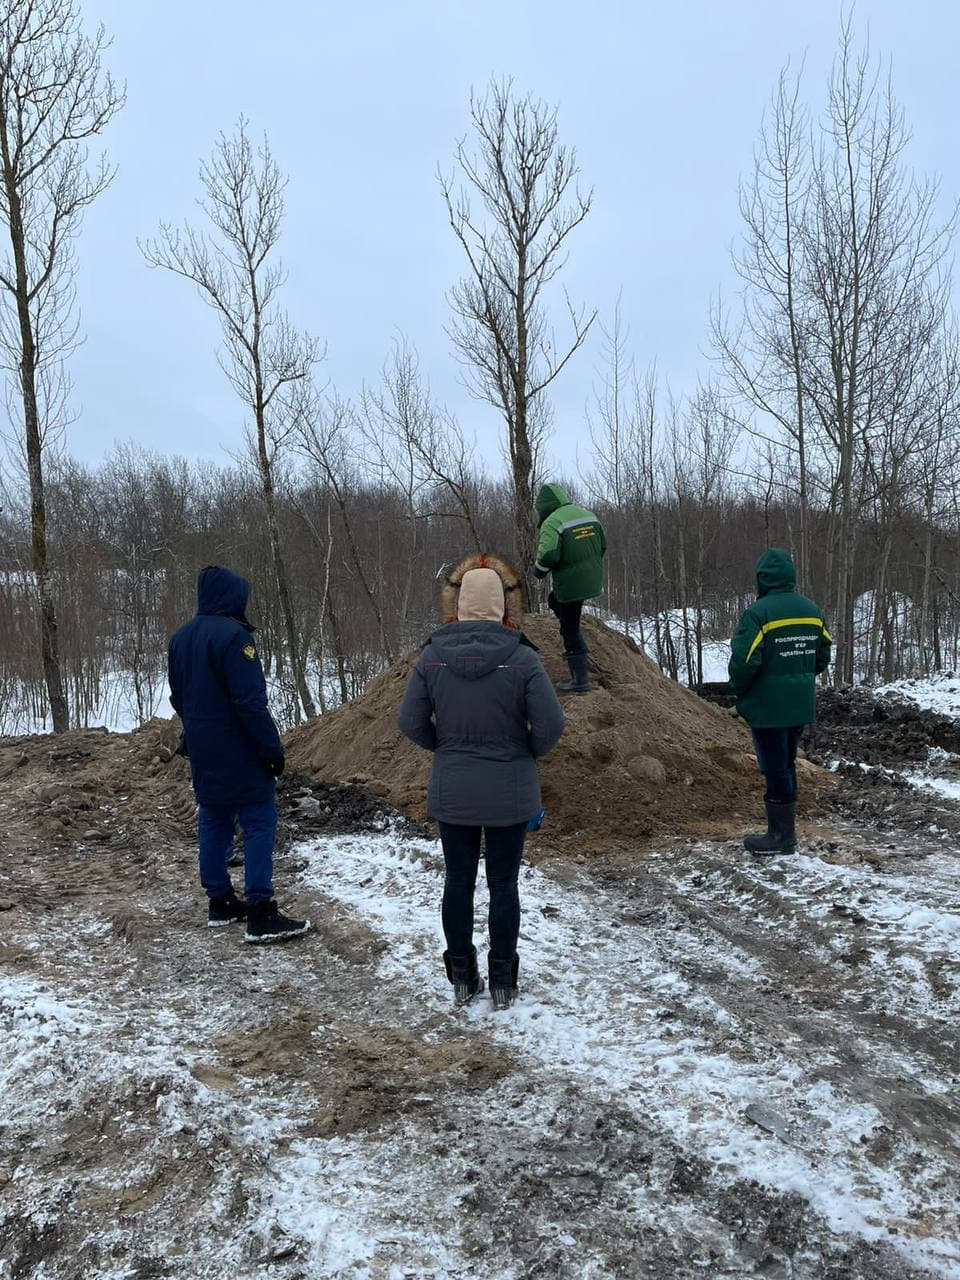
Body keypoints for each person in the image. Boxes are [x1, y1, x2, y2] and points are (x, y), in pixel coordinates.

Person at [398, 554, 565, 1009]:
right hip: (510, 791)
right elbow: (550, 726)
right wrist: (522, 752)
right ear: (502, 606)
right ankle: (504, 980)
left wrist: (446, 747)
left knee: (458, 882)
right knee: (504, 885)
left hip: (454, 790)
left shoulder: (431, 656)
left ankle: (462, 976)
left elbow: (410, 721)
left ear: (458, 603)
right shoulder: (523, 657)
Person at [168, 565, 310, 943]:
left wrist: (199, 730)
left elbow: (178, 697)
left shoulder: (180, 638)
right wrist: (270, 750)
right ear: (233, 597)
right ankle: (261, 911)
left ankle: (220, 901)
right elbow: (250, 702)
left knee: (213, 816)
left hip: (203, 748)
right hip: (240, 749)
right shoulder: (234, 638)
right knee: (259, 820)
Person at [728, 548, 831, 855]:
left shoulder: (759, 614)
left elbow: (745, 663)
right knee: (786, 763)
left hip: (768, 706)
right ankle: (784, 832)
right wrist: (799, 675)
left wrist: (739, 690)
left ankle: (781, 837)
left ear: (762, 579)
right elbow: (822, 656)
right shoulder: (812, 611)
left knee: (775, 767)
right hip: (799, 703)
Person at [532, 483, 607, 694]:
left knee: (569, 628)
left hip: (570, 583)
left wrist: (538, 571)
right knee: (554, 601)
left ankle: (579, 680)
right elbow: (603, 544)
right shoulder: (587, 514)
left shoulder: (552, 521)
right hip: (592, 579)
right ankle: (579, 651)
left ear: (544, 506)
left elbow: (549, 555)